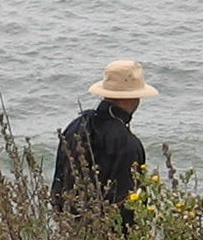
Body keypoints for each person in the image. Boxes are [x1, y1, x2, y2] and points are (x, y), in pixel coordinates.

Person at [52, 59, 157, 226]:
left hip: (71, 226)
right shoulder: (128, 144)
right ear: (135, 98)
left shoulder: (75, 127)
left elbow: (59, 185)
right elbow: (129, 206)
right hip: (108, 233)